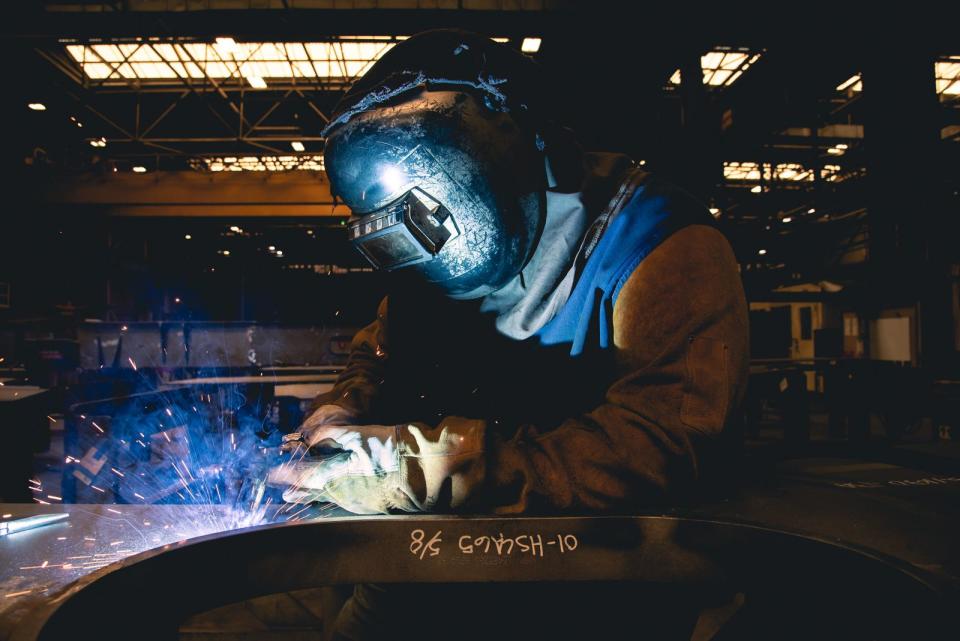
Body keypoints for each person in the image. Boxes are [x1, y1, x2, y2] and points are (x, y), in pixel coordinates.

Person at [269, 29, 749, 639]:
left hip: (599, 582)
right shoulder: (426, 268)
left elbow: (663, 446)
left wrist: (424, 471)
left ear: (529, 148)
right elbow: (381, 352)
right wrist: (348, 404)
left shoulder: (662, 248)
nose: (429, 252)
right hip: (429, 566)